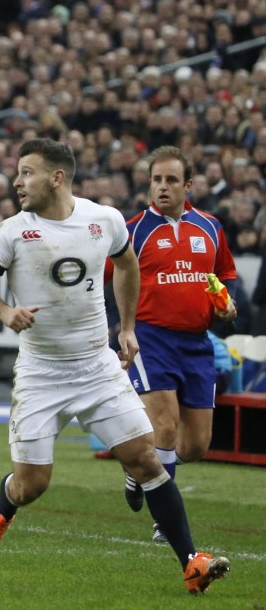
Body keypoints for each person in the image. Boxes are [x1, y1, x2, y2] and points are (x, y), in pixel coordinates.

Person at [0, 138, 228, 594]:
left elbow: (127, 266)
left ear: (57, 177)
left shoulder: (102, 220)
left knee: (147, 457)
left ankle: (192, 563)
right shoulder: (11, 230)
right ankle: (3, 507)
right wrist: (6, 313)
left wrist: (127, 328)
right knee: (33, 484)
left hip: (95, 365)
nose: (17, 181)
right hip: (41, 373)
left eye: (27, 172)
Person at [114, 146, 238, 543]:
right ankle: (164, 521)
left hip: (197, 342)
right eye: (156, 180)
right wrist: (124, 327)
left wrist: (226, 304)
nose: (162, 187)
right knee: (164, 427)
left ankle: (139, 468)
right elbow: (109, 277)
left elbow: (223, 276)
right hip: (152, 338)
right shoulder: (133, 231)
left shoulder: (211, 228)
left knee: (196, 445)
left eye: (171, 180)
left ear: (188, 185)